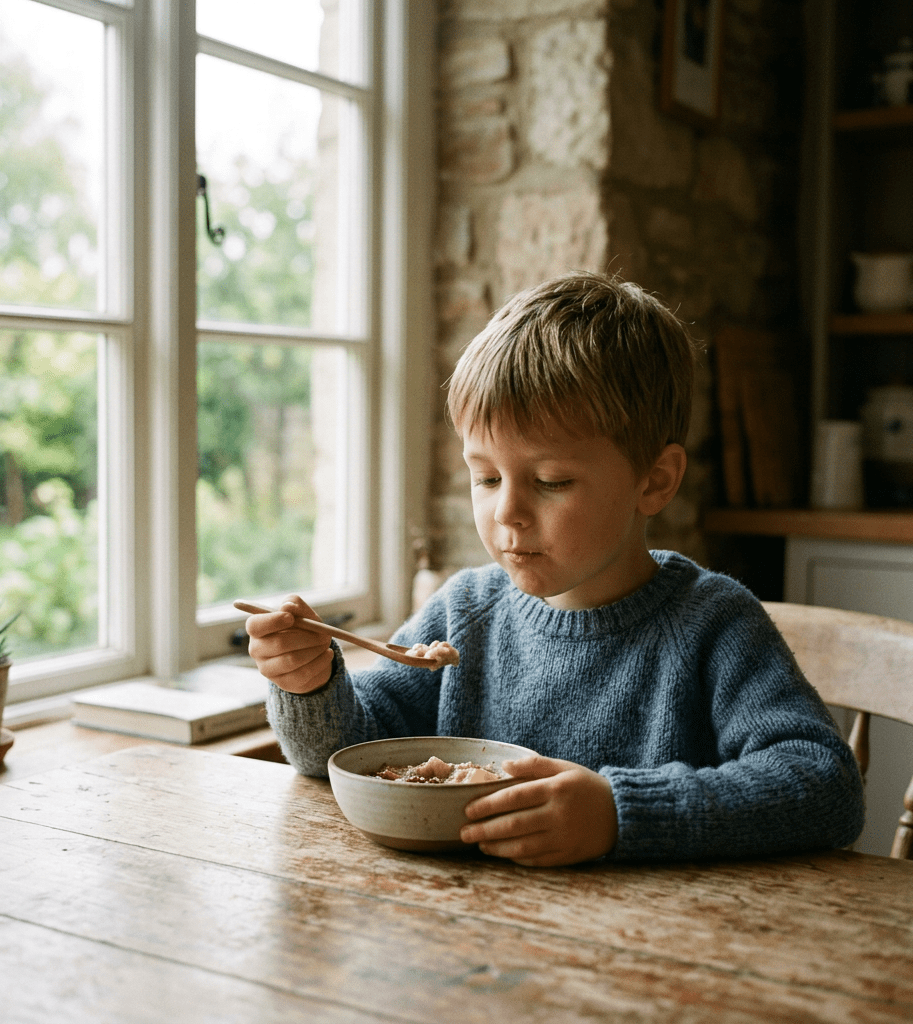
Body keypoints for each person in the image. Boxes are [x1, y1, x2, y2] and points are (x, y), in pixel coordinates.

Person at [245, 271, 864, 867]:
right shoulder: (464, 613)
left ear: (655, 480)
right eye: (485, 477)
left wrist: (621, 815)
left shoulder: (712, 624)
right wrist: (308, 685)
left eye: (550, 481)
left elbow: (825, 785)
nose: (507, 511)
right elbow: (345, 751)